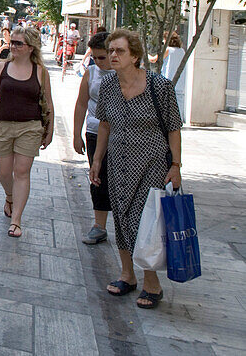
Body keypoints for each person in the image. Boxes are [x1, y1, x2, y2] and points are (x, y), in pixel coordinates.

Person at [90, 28, 183, 310]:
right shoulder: (107, 86)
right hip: (118, 162)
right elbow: (104, 124)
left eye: (120, 51)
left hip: (153, 164)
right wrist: (97, 160)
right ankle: (127, 274)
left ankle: (151, 282)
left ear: (135, 56)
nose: (113, 56)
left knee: (146, 220)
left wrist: (176, 165)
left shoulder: (159, 86)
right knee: (121, 215)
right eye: (111, 51)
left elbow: (174, 127)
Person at [0, 26, 53, 238]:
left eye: (18, 43)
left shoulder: (40, 72)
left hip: (29, 127)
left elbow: (48, 103)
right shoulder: (1, 68)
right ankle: (10, 196)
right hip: (1, 125)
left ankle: (16, 220)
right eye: (12, 42)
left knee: (21, 172)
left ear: (30, 47)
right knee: (3, 172)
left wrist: (50, 130)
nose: (13, 46)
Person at [73, 31, 112, 245]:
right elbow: (81, 103)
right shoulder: (91, 72)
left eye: (102, 57)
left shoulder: (124, 74)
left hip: (120, 135)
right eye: (94, 58)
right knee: (97, 177)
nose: (98, 62)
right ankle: (99, 225)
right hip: (95, 131)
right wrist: (76, 134)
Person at [160, 32, 188, 123]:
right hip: (180, 84)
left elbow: (155, 59)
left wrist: (145, 57)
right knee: (178, 107)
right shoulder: (182, 51)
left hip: (168, 82)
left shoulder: (168, 50)